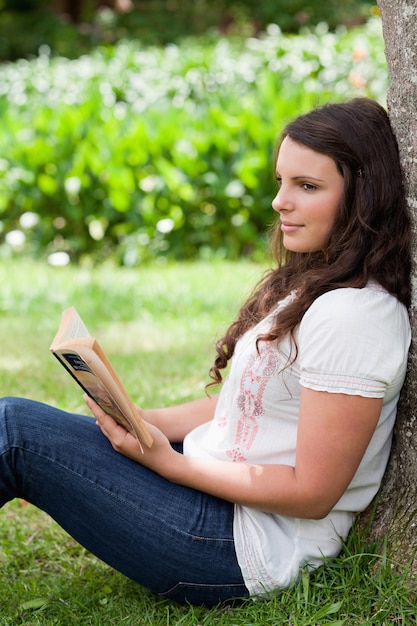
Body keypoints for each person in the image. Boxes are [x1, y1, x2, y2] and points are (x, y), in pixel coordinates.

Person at [0, 97, 411, 607]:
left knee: (14, 432)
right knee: (15, 424)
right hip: (213, 491)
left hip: (238, 545)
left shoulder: (357, 316)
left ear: (362, 198)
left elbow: (314, 493)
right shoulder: (315, 287)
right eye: (281, 181)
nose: (281, 201)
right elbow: (243, 406)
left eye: (307, 186)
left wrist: (165, 464)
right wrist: (143, 420)